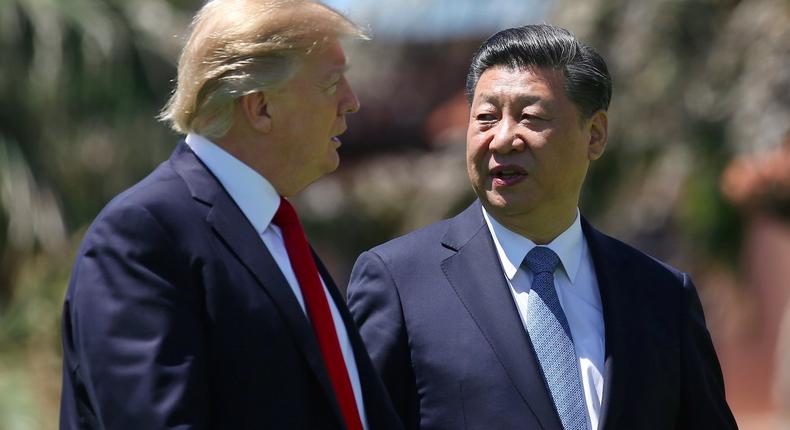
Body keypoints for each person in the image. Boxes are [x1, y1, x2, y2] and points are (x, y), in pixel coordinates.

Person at [347, 24, 738, 430]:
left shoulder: (660, 297)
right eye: (485, 117)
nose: (502, 139)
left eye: (530, 117)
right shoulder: (400, 282)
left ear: (596, 135)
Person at [59, 1, 402, 429]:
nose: (351, 102)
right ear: (260, 107)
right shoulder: (143, 236)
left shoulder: (276, 235)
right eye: (332, 83)